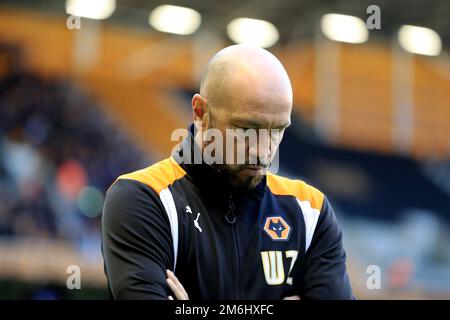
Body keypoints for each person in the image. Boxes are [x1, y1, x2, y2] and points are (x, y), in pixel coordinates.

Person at [101, 45, 353, 300]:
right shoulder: (143, 199)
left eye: (277, 130)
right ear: (201, 112)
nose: (263, 151)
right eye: (246, 128)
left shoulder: (310, 210)